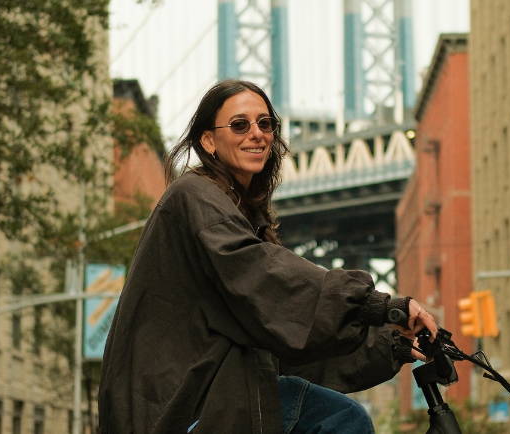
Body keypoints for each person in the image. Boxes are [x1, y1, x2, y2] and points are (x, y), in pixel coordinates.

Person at [98, 79, 439, 434]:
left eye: (266, 124)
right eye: (239, 125)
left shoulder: (242, 217)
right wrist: (375, 304)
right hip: (182, 406)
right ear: (208, 141)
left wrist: (393, 344)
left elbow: (290, 340)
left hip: (215, 395)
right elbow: (266, 278)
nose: (257, 134)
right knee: (343, 420)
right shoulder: (194, 196)